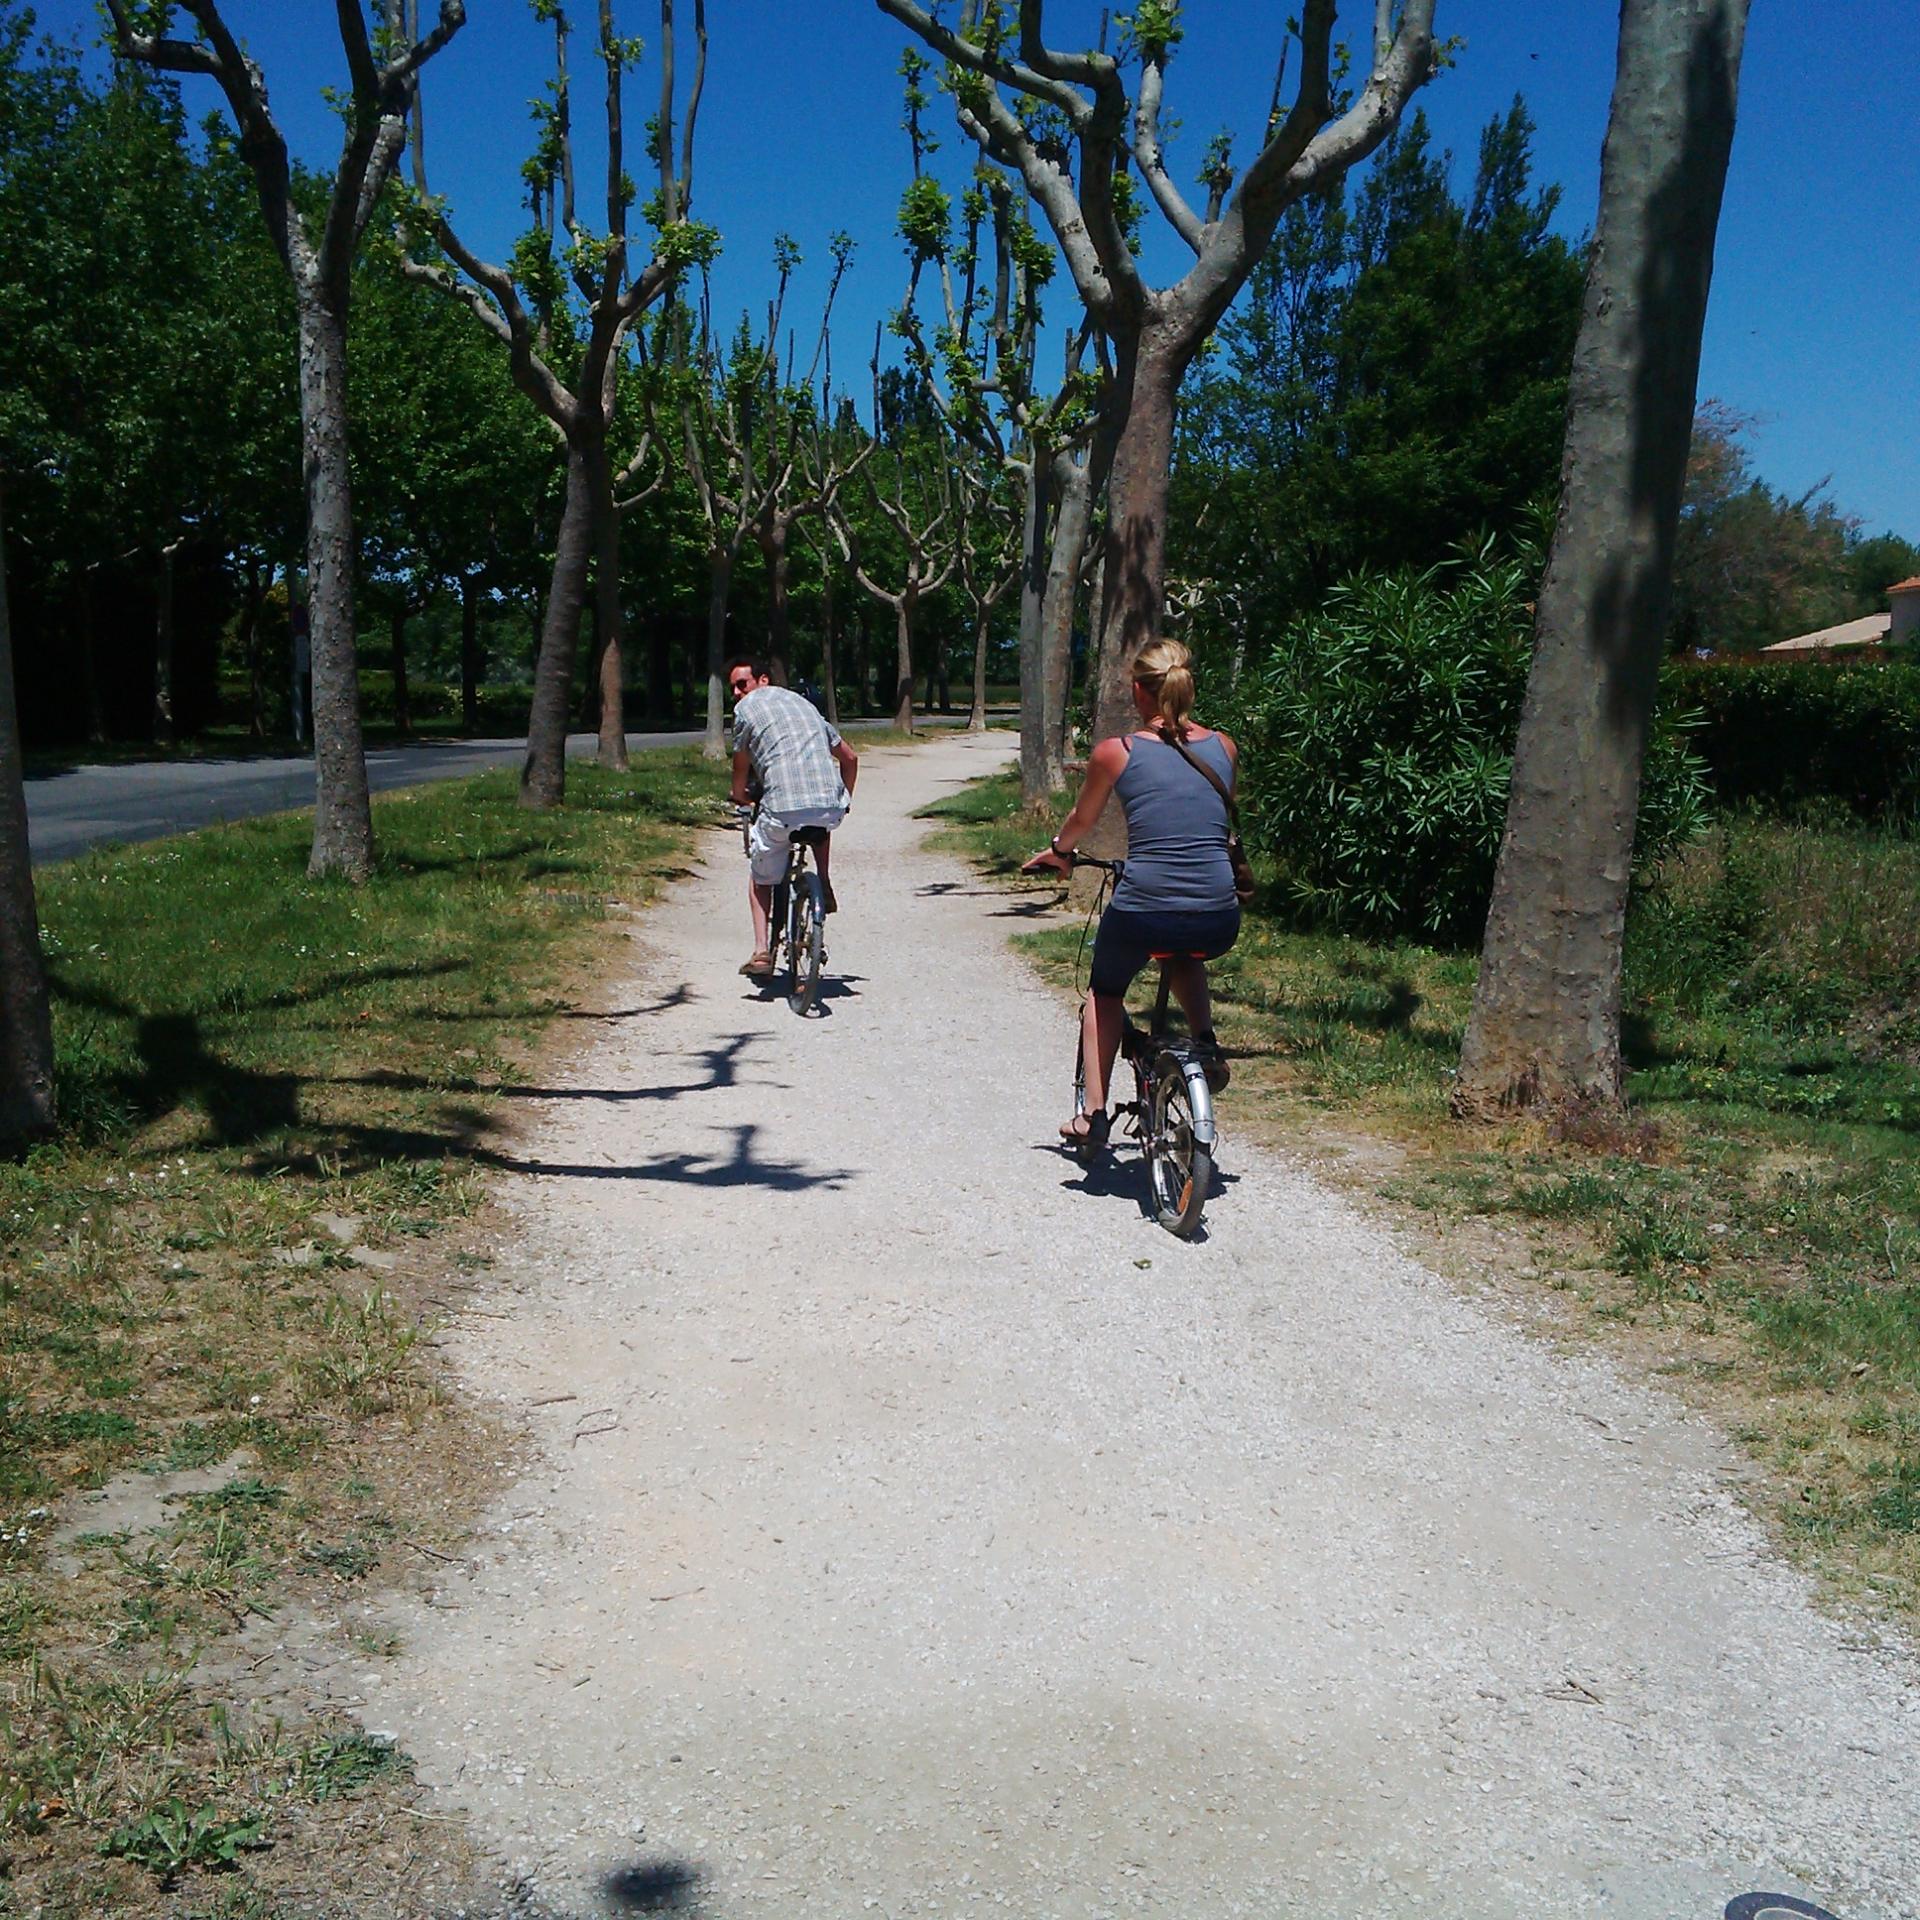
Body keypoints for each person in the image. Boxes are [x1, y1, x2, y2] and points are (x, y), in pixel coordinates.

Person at [1021, 637, 1239, 1144]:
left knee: (1104, 991)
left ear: (1139, 692)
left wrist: (1060, 849)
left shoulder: (1115, 752)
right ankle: (1205, 1045)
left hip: (1145, 908)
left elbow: (1082, 820)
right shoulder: (1224, 746)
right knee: (1183, 951)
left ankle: (1092, 1116)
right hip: (1219, 911)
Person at [727, 655, 858, 977]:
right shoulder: (805, 705)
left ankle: (761, 951)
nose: (736, 693)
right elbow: (850, 757)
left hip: (782, 808)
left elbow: (741, 765)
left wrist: (739, 794)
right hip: (829, 805)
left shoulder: (745, 710)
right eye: (733, 688)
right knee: (819, 822)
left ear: (762, 681)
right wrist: (845, 797)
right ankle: (823, 882)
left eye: (741, 684)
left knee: (760, 878)